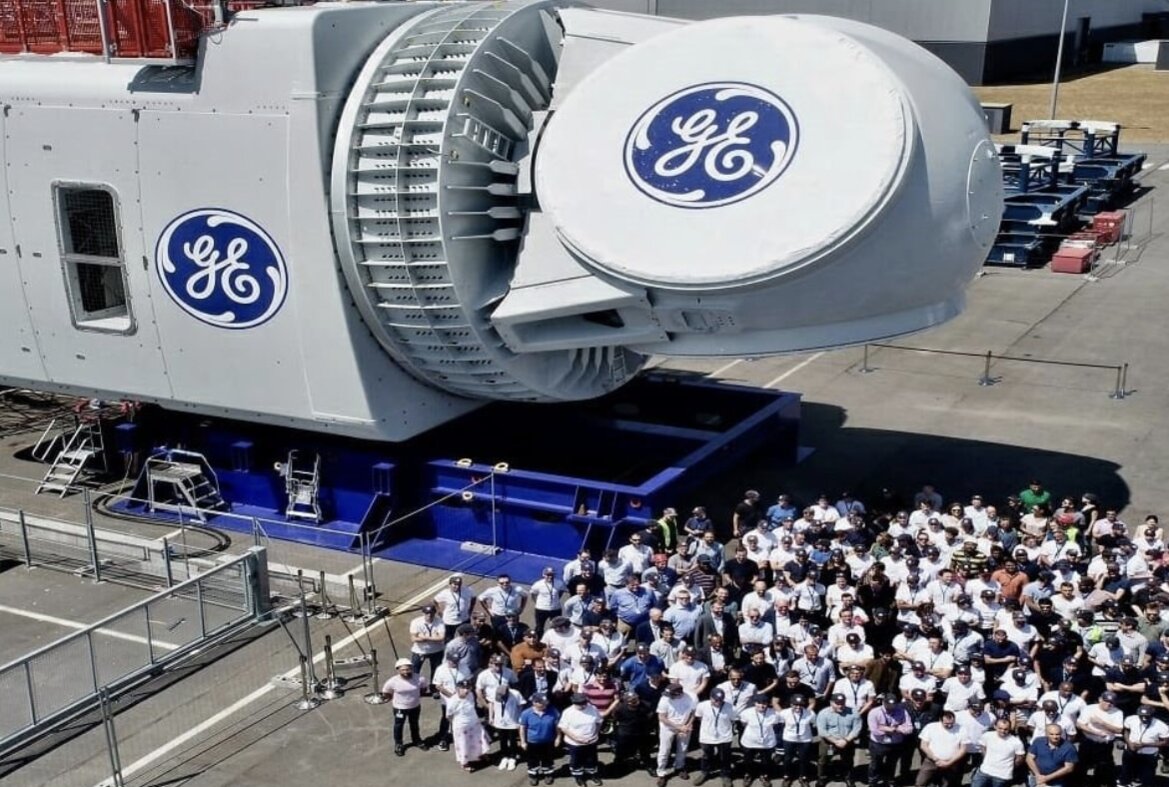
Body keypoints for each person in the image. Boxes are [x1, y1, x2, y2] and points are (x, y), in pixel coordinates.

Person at [383, 657, 430, 756]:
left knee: (414, 724)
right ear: (398, 670)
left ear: (411, 669)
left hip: (415, 706)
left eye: (408, 669)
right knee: (399, 726)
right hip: (400, 708)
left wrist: (416, 696)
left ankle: (417, 740)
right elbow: (386, 693)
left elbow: (423, 688)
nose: (406, 672)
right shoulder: (392, 682)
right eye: (403, 670)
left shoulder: (419, 678)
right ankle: (398, 744)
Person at [816, 693, 861, 787]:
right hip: (829, 742)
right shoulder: (823, 713)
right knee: (824, 760)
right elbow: (822, 731)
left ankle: (848, 777)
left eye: (842, 703)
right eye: (837, 703)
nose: (840, 706)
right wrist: (835, 741)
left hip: (847, 741)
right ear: (831, 703)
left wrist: (846, 740)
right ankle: (822, 778)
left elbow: (857, 728)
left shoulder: (853, 712)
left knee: (848, 760)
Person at [868, 694, 913, 787]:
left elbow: (909, 729)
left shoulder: (902, 712)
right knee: (875, 764)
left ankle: (889, 781)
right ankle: (873, 782)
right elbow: (875, 730)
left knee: (891, 764)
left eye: (893, 705)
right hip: (878, 743)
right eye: (888, 705)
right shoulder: (874, 712)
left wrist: (891, 729)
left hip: (895, 743)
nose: (890, 708)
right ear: (883, 702)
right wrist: (897, 728)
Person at [559, 692, 604, 787]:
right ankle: (578, 777)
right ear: (573, 703)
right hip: (575, 742)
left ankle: (592, 774)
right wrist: (577, 739)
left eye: (584, 703)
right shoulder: (568, 712)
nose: (583, 705)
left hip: (591, 740)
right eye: (579, 704)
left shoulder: (593, 708)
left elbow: (599, 722)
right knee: (576, 760)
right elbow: (563, 728)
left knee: (591, 759)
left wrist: (595, 733)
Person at [656, 682, 696, 786]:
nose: (668, 697)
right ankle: (661, 772)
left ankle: (679, 767)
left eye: (671, 695)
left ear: (679, 693)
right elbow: (662, 717)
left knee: (683, 749)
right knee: (664, 750)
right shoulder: (664, 699)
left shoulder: (691, 697)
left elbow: (693, 713)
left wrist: (687, 726)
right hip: (668, 727)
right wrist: (679, 727)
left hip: (685, 726)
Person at [446, 679, 490, 772]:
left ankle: (481, 754)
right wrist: (454, 724)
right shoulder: (452, 701)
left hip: (474, 722)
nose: (466, 690)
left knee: (478, 740)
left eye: (468, 688)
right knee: (464, 744)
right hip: (461, 726)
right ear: (457, 689)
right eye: (463, 688)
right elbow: (449, 716)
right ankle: (464, 763)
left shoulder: (471, 695)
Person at [694, 687, 735, 787]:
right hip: (707, 736)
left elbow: (733, 720)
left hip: (724, 736)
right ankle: (705, 772)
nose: (718, 702)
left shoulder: (731, 707)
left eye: (720, 700)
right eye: (715, 699)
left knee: (725, 757)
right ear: (710, 697)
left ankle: (725, 775)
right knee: (706, 756)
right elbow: (699, 717)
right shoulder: (702, 706)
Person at [916, 711, 969, 787]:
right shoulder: (931, 727)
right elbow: (923, 745)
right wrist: (936, 759)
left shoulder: (961, 729)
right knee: (921, 782)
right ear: (940, 720)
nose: (949, 725)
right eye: (946, 724)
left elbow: (963, 749)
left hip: (951, 762)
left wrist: (949, 763)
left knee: (946, 784)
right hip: (931, 760)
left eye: (952, 723)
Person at [609, 690, 655, 777]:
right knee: (620, 751)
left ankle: (648, 765)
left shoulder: (645, 705)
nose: (634, 702)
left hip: (641, 731)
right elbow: (615, 717)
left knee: (645, 751)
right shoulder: (620, 708)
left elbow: (650, 715)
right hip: (625, 732)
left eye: (635, 699)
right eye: (631, 701)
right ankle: (617, 766)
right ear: (626, 701)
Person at [1121, 705, 1169, 787]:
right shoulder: (1130, 719)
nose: (1144, 718)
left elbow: (1165, 742)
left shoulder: (1161, 726)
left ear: (1152, 715)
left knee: (1147, 777)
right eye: (1141, 716)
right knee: (1126, 772)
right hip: (1130, 750)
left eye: (1147, 716)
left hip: (1148, 755)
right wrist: (1129, 742)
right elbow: (1126, 731)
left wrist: (1144, 745)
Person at [740, 693, 781, 787]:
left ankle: (764, 775)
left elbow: (775, 724)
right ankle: (748, 775)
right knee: (748, 760)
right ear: (754, 703)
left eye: (764, 703)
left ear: (768, 704)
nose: (761, 706)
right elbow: (744, 723)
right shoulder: (746, 713)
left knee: (766, 761)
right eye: (758, 703)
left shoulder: (774, 713)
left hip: (767, 741)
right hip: (750, 741)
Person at [520, 693, 560, 786]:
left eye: (546, 703)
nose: (545, 705)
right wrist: (523, 742)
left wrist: (558, 738)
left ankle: (548, 774)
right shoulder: (526, 713)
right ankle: (533, 776)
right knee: (532, 760)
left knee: (548, 759)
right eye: (542, 703)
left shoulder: (553, 711)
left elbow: (557, 726)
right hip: (532, 742)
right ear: (534, 702)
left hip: (548, 742)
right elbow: (522, 728)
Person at [972, 716, 1024, 787]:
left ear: (1009, 728)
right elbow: (983, 746)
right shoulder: (987, 735)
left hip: (1002, 776)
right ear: (995, 726)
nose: (1003, 731)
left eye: (1006, 729)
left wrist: (1009, 767)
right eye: (1000, 728)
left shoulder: (1016, 742)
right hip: (984, 771)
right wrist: (986, 758)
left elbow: (1019, 759)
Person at [779, 693, 816, 787]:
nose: (798, 707)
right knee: (788, 759)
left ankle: (803, 777)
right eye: (795, 705)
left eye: (800, 705)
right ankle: (787, 776)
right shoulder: (784, 713)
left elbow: (814, 724)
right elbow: (780, 723)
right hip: (789, 738)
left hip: (804, 739)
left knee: (804, 759)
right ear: (791, 704)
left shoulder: (810, 713)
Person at [409, 605, 446, 679]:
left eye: (431, 613)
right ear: (423, 613)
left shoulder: (439, 621)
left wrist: (424, 637)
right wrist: (434, 637)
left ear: (434, 613)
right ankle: (415, 684)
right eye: (427, 613)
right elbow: (413, 639)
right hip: (420, 651)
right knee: (414, 671)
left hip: (436, 650)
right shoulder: (416, 622)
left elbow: (441, 638)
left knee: (436, 671)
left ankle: (433, 685)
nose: (429, 615)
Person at [494, 684, 525, 771]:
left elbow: (521, 705)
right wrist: (491, 717)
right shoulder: (496, 693)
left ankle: (512, 757)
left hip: (512, 721)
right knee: (502, 740)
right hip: (500, 721)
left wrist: (520, 718)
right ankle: (504, 757)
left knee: (512, 740)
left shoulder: (516, 694)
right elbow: (492, 704)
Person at [435, 575, 475, 641]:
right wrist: (439, 611)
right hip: (450, 621)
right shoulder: (445, 593)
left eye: (459, 584)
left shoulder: (467, 590)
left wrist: (470, 609)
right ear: (450, 584)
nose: (457, 586)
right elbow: (435, 601)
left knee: (466, 637)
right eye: (455, 584)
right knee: (449, 639)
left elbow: (473, 597)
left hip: (464, 619)